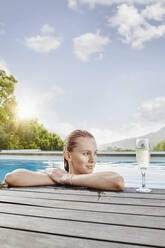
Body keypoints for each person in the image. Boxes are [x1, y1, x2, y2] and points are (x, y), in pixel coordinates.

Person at [5, 129, 124, 191]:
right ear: (68, 156)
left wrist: (67, 178)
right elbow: (12, 178)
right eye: (86, 153)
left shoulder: (62, 177)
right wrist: (63, 179)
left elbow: (117, 181)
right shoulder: (57, 176)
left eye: (95, 153)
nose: (93, 160)